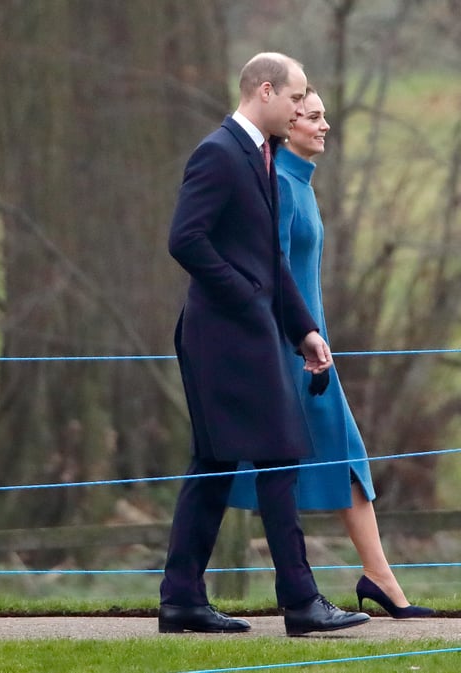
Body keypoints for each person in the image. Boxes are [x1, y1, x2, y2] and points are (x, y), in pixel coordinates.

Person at [159, 52, 370, 637]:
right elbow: (186, 239)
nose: (305, 108)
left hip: (247, 334)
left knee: (216, 464)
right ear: (268, 91)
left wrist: (304, 329)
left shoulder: (261, 156)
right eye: (298, 97)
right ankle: (300, 602)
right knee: (279, 454)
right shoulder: (219, 153)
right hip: (223, 338)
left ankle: (181, 599)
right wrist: (248, 297)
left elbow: (270, 258)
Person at [228, 88, 433, 619]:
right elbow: (265, 275)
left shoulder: (301, 186)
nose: (325, 126)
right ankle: (193, 588)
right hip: (290, 356)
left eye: (324, 117)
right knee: (248, 467)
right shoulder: (280, 189)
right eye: (314, 117)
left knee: (341, 460)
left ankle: (377, 578)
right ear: (288, 123)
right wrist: (295, 341)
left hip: (311, 351)